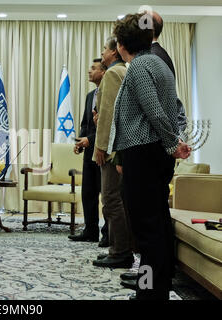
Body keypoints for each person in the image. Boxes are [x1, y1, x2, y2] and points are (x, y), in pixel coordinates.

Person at [109, 13, 191, 300]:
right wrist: (174, 141)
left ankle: (149, 294)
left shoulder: (141, 65)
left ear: (121, 43)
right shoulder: (158, 62)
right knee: (155, 224)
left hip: (143, 153)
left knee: (145, 231)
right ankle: (157, 289)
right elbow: (175, 107)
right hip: (153, 153)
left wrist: (173, 144)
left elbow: (154, 110)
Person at [92, 37, 132, 269]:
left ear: (114, 52)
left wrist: (101, 146)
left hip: (112, 149)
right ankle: (118, 249)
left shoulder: (113, 74)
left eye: (104, 49)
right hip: (118, 146)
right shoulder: (121, 71)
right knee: (114, 199)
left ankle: (121, 252)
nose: (102, 53)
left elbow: (109, 113)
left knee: (110, 199)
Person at [69, 59, 108, 245]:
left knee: (107, 196)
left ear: (104, 72)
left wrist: (90, 140)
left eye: (93, 68)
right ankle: (90, 231)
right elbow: (86, 124)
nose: (89, 71)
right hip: (88, 153)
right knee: (88, 193)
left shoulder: (108, 93)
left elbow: (106, 124)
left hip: (104, 152)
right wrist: (80, 141)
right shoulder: (90, 95)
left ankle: (108, 234)